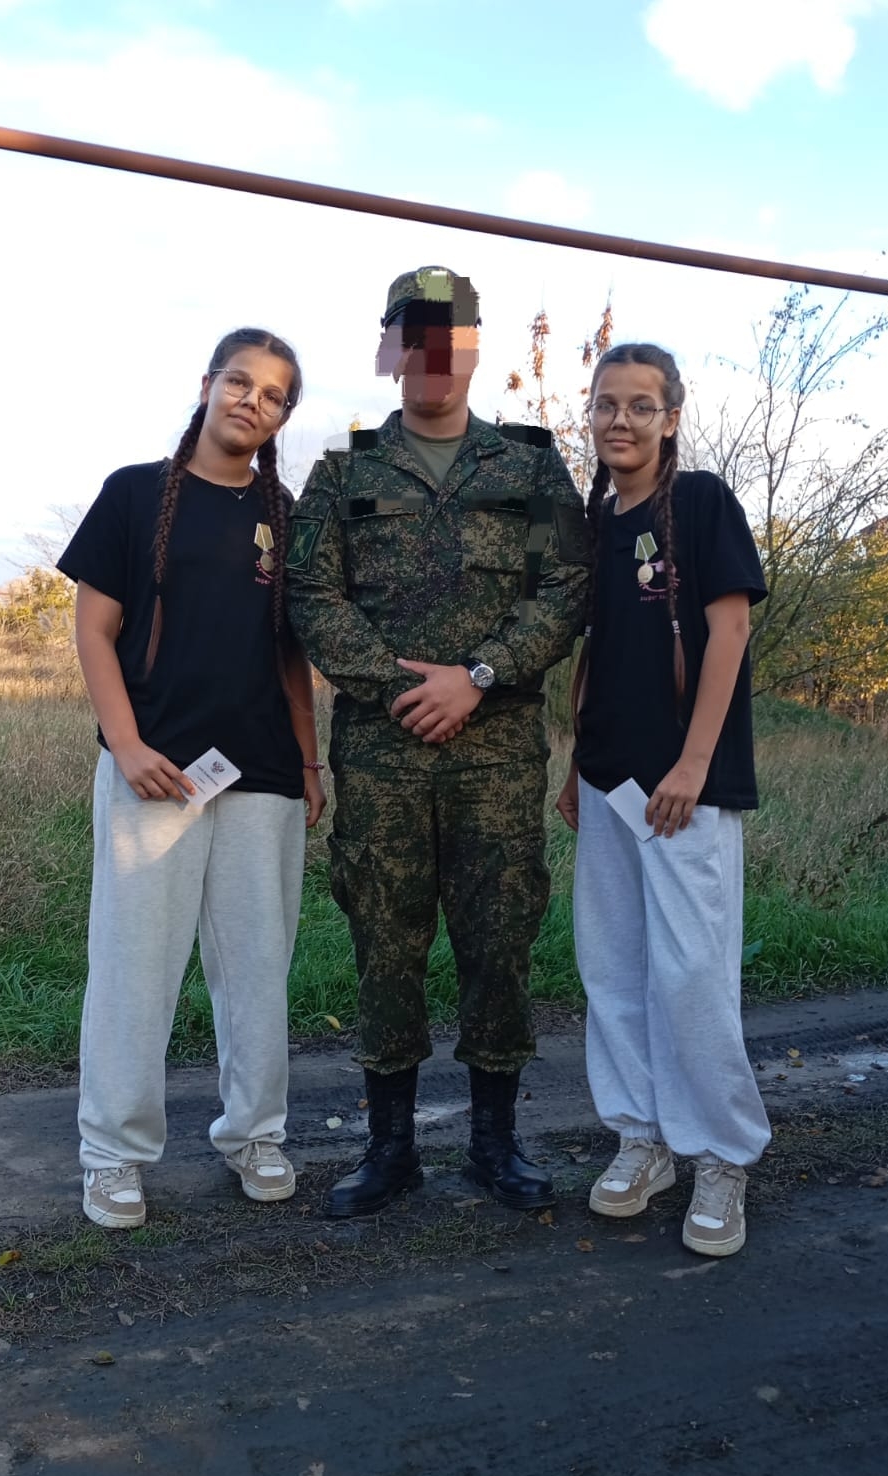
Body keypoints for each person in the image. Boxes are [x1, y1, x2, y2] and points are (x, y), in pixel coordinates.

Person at [287, 266, 589, 1218]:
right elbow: (309, 597)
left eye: (449, 337)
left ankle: (496, 1145)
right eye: (413, 336)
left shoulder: (533, 468)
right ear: (390, 350)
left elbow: (569, 591)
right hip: (382, 754)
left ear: (471, 348)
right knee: (385, 940)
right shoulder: (343, 472)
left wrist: (480, 677)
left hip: (497, 754)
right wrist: (403, 688)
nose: (431, 356)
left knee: (499, 942)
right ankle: (391, 1149)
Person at [58, 327, 325, 1229]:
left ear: (286, 415)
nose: (254, 401)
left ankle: (254, 1134)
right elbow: (95, 630)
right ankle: (115, 1156)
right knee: (136, 968)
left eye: (275, 394)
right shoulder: (137, 495)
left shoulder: (283, 518)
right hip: (157, 776)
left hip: (262, 779)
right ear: (207, 384)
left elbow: (291, 656)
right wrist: (126, 744)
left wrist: (310, 761)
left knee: (256, 970)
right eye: (241, 382)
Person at [556, 342, 771, 1257]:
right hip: (607, 779)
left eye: (641, 406)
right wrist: (575, 762)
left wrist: (692, 762)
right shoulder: (595, 523)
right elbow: (596, 652)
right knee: (612, 970)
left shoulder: (701, 502)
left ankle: (722, 1154)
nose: (621, 421)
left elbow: (729, 630)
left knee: (689, 976)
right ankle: (643, 1139)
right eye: (607, 405)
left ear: (671, 417)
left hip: (683, 788)